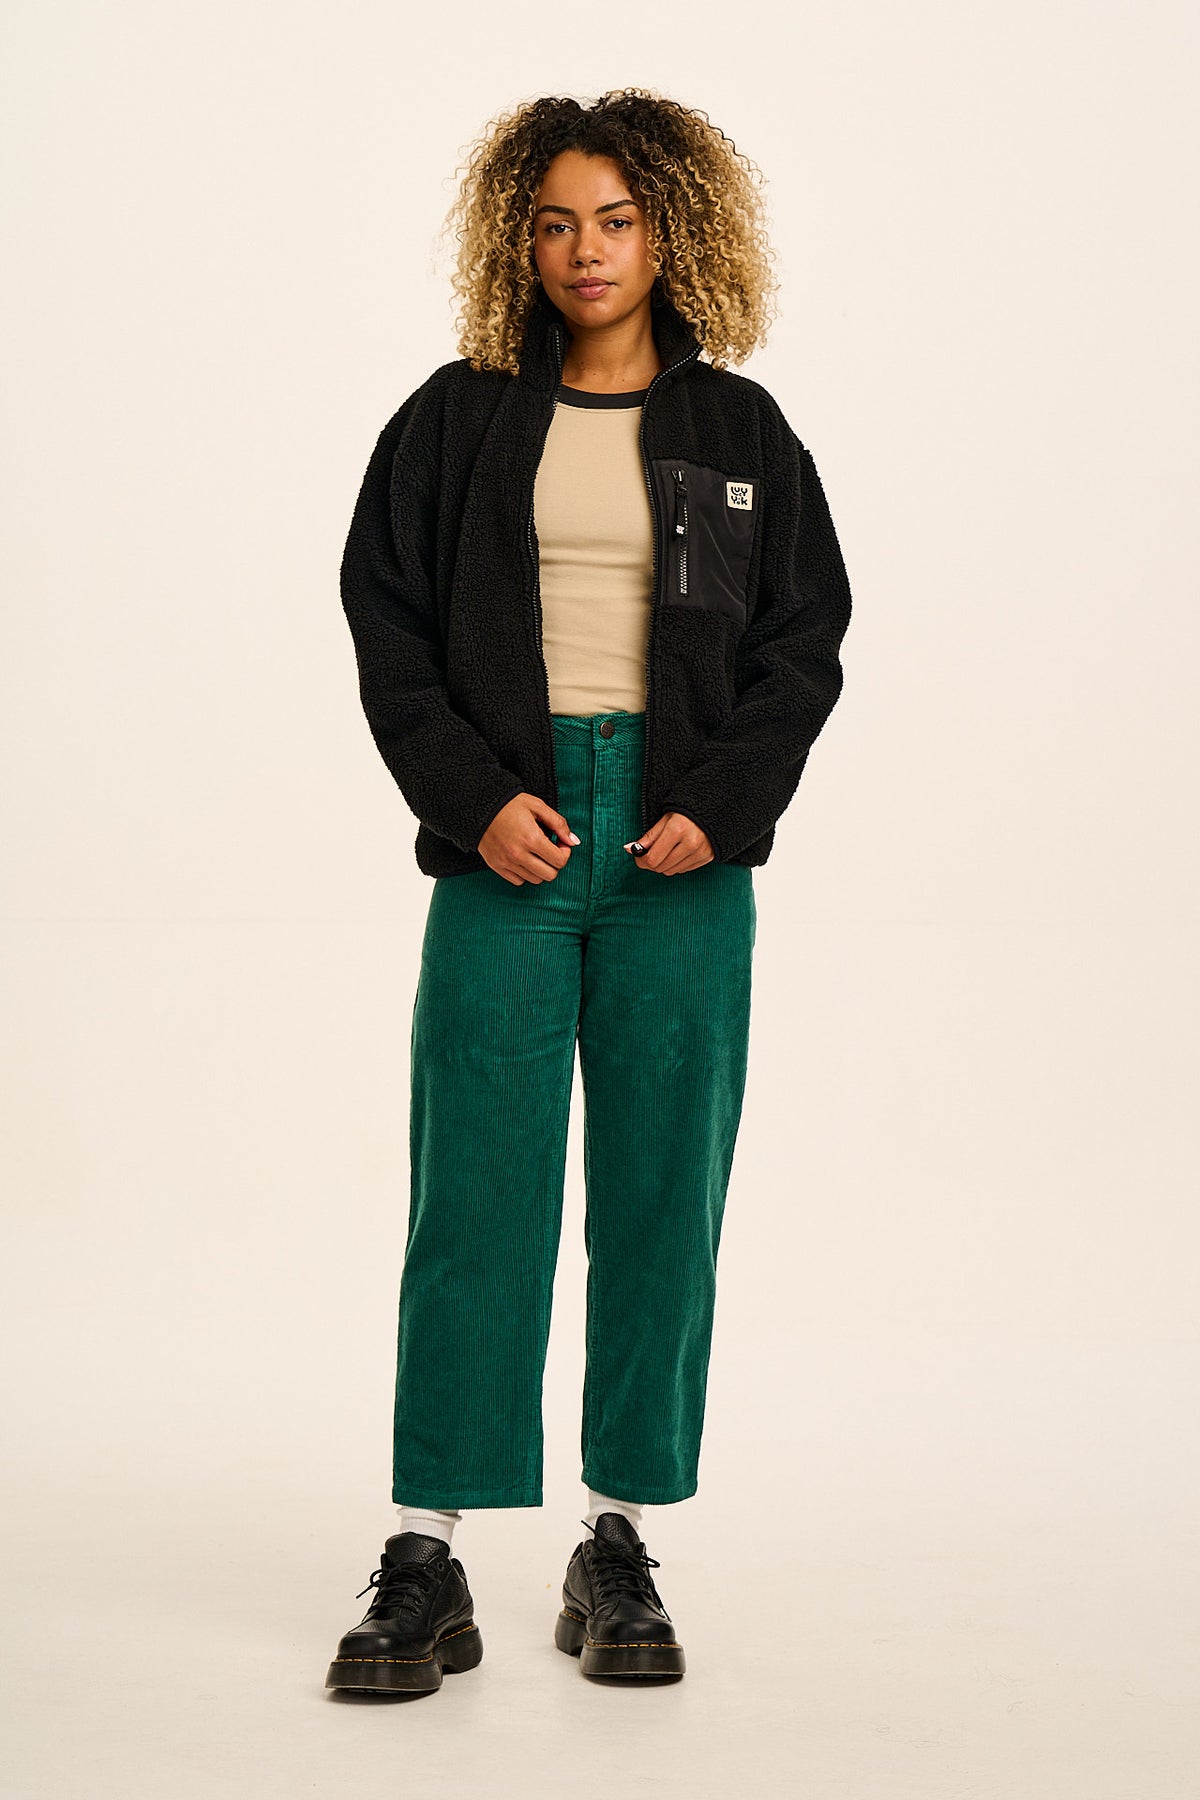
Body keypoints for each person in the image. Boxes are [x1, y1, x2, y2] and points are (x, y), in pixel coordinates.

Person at [326, 87, 853, 1695]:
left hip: (679, 855)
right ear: (519, 239)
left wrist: (721, 804)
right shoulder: (457, 418)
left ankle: (615, 1538)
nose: (585, 250)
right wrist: (474, 799)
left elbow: (800, 643)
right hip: (511, 836)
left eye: (615, 219)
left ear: (671, 231)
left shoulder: (736, 433)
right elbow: (386, 625)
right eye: (554, 222)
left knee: (658, 1202)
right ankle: (426, 1552)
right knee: (474, 1197)